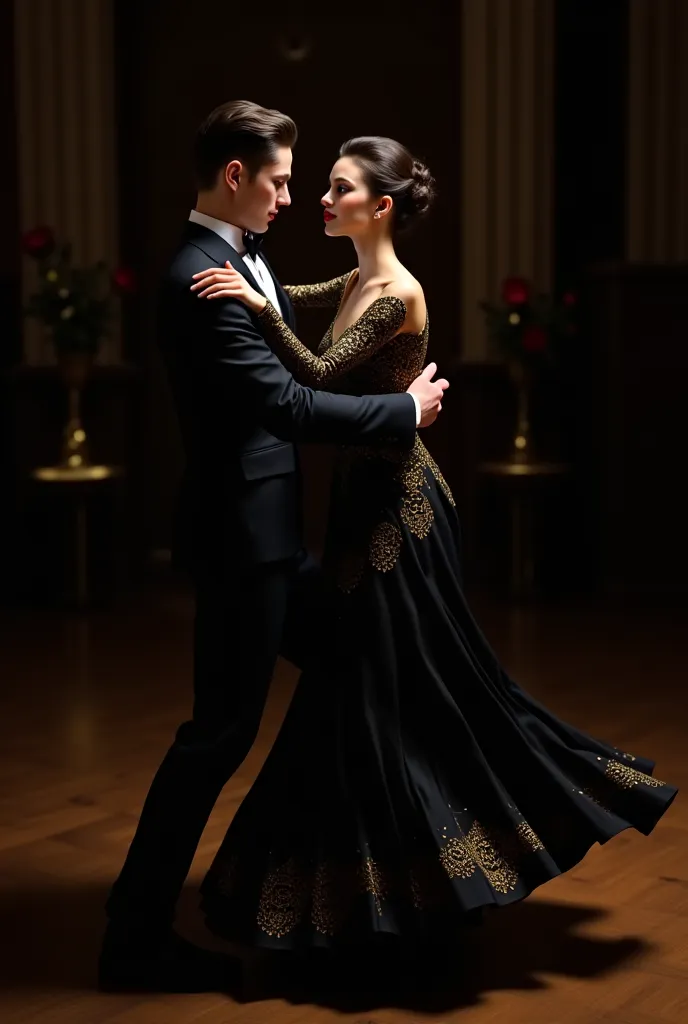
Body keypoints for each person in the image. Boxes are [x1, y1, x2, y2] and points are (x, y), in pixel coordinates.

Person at [193, 135, 678, 955]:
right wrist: (252, 280)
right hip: (362, 505)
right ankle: (371, 880)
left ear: (378, 206)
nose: (321, 196)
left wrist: (253, 309)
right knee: (368, 686)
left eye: (338, 187)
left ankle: (432, 874)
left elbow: (312, 375)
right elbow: (292, 294)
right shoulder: (355, 277)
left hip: (397, 514)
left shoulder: (396, 293)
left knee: (400, 686)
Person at [98, 103, 449, 993]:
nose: (292, 197)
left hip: (272, 543)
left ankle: (365, 894)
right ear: (233, 177)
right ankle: (133, 940)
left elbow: (292, 346)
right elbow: (289, 407)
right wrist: (403, 411)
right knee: (217, 737)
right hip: (242, 547)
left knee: (361, 683)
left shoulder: (238, 262)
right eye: (281, 180)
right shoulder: (198, 274)